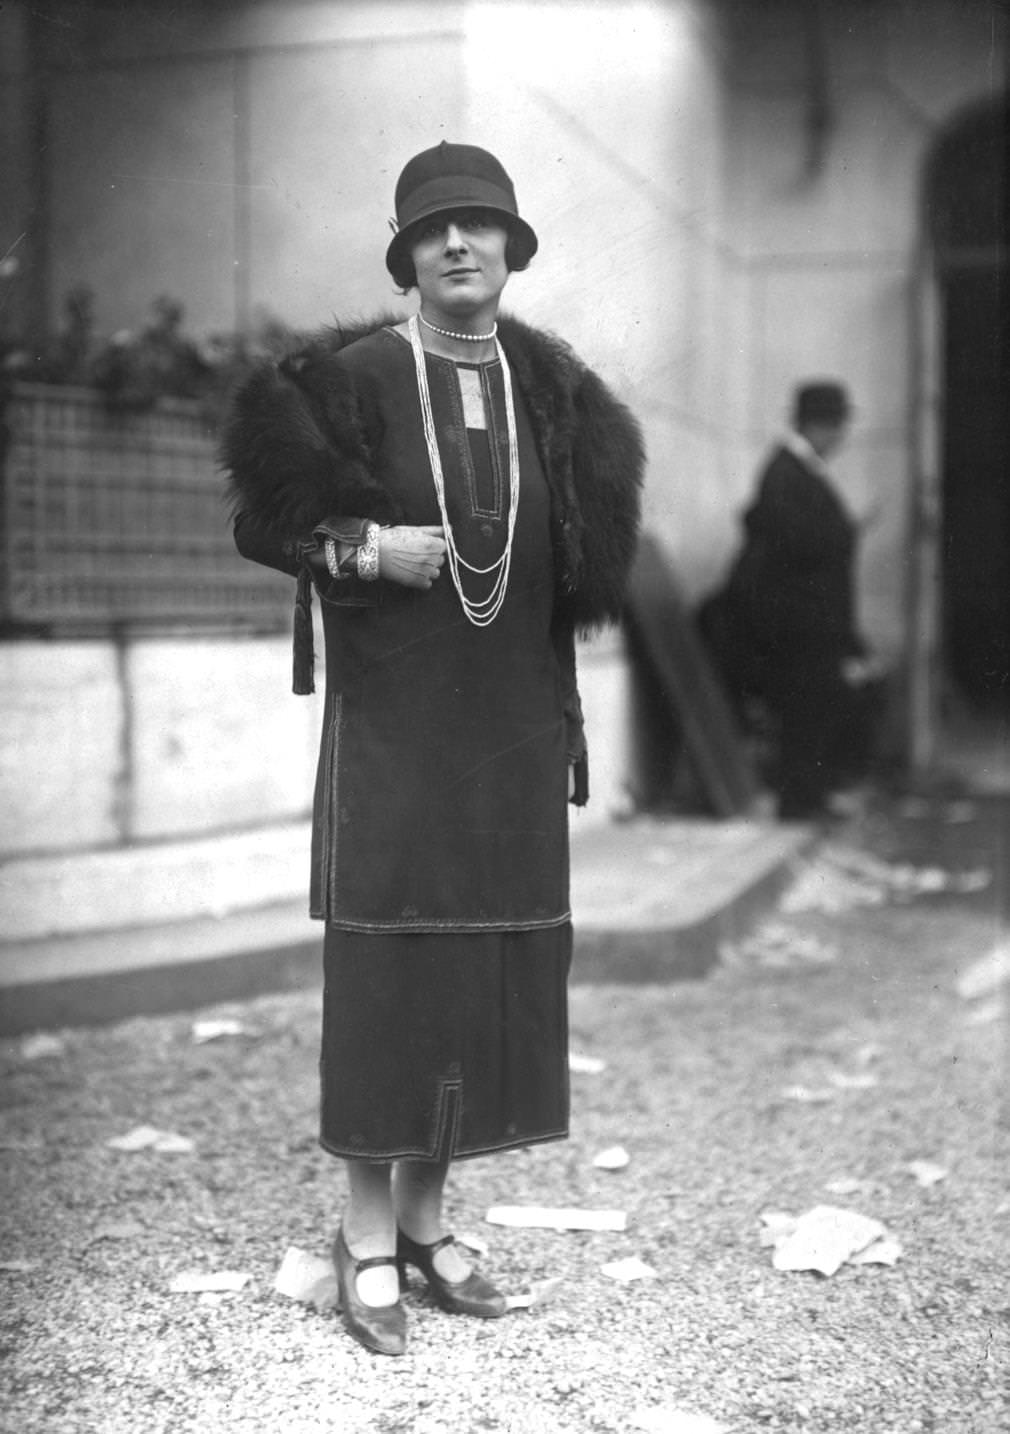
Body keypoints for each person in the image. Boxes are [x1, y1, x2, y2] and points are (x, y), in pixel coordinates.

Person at [222, 141, 643, 1355]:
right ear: (405, 256)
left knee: (480, 975)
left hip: (506, 726)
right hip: (396, 731)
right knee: (388, 974)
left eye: (480, 225)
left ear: (512, 249)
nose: (458, 245)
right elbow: (262, 523)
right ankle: (362, 1241)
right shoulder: (350, 378)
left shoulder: (552, 393)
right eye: (433, 230)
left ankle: (425, 1224)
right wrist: (362, 553)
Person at [698, 381, 883, 820]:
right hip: (796, 624)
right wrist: (847, 531)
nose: (843, 438)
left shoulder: (799, 472)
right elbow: (790, 544)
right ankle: (800, 801)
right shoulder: (786, 472)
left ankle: (809, 797)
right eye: (839, 426)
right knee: (804, 711)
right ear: (820, 425)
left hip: (809, 622)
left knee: (816, 709)